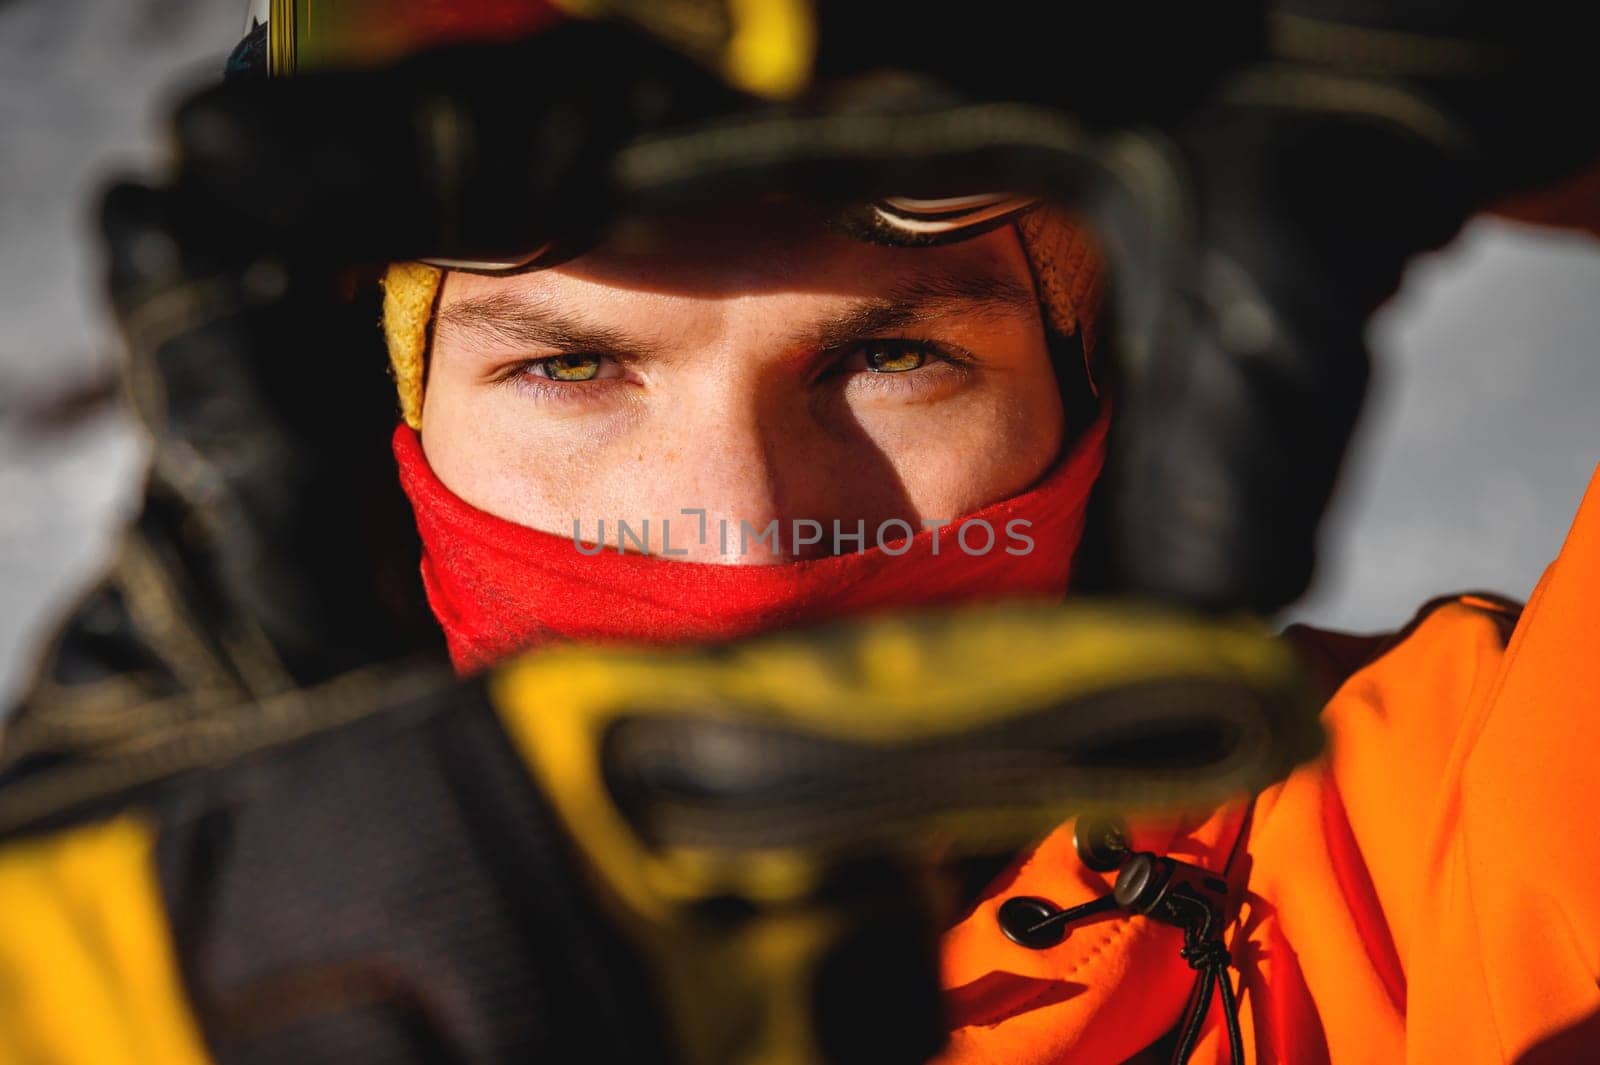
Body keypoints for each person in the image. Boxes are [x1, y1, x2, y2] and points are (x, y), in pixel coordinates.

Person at [3, 5, 1600, 1064]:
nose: (745, 534)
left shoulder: (1428, 834)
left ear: (1103, 395)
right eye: (571, 366)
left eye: (891, 355)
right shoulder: (139, 963)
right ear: (382, 445)